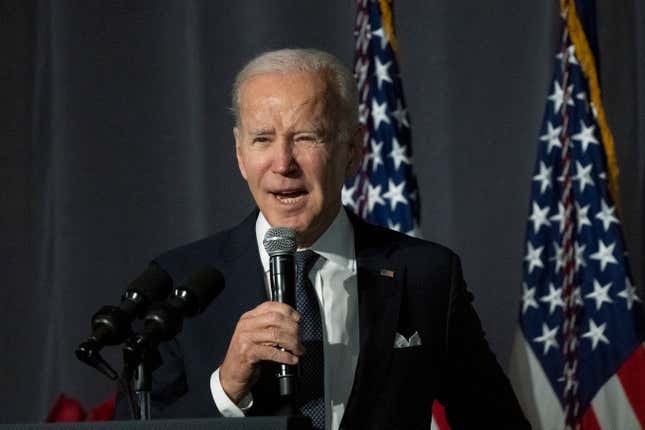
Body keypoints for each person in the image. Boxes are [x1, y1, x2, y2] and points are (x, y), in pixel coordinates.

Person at [115, 48, 531, 429]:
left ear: (352, 150)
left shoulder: (427, 274)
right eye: (263, 139)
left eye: (306, 137)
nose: (283, 163)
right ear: (240, 154)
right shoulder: (177, 284)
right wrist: (226, 388)